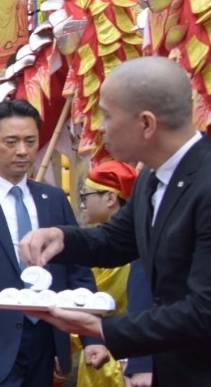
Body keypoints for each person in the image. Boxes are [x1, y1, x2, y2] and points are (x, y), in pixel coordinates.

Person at [20, 57, 211, 385]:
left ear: (146, 124)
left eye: (107, 115)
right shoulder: (152, 175)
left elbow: (204, 310)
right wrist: (61, 238)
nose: (100, 127)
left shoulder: (205, 183)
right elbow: (116, 240)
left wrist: (99, 327)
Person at [0, 98, 102, 387]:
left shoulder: (54, 200)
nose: (22, 151)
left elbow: (77, 272)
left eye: (30, 141)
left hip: (46, 339)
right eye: (11, 141)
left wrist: (92, 338)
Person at [73, 161, 151, 387]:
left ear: (110, 198)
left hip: (115, 359)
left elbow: (96, 303)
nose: (82, 204)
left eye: (85, 195)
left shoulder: (123, 252)